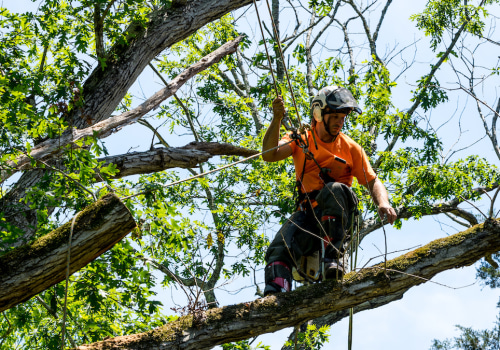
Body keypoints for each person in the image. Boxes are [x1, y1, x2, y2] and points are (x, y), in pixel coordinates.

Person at [262, 85, 397, 295]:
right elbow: (270, 154)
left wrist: (383, 203)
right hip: (309, 215)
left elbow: (372, 181)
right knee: (279, 247)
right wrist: (277, 119)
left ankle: (333, 260)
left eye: (343, 117)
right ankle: (276, 293)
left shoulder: (351, 148)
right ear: (318, 113)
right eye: (335, 116)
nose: (340, 122)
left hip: (338, 217)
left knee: (333, 189)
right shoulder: (301, 138)